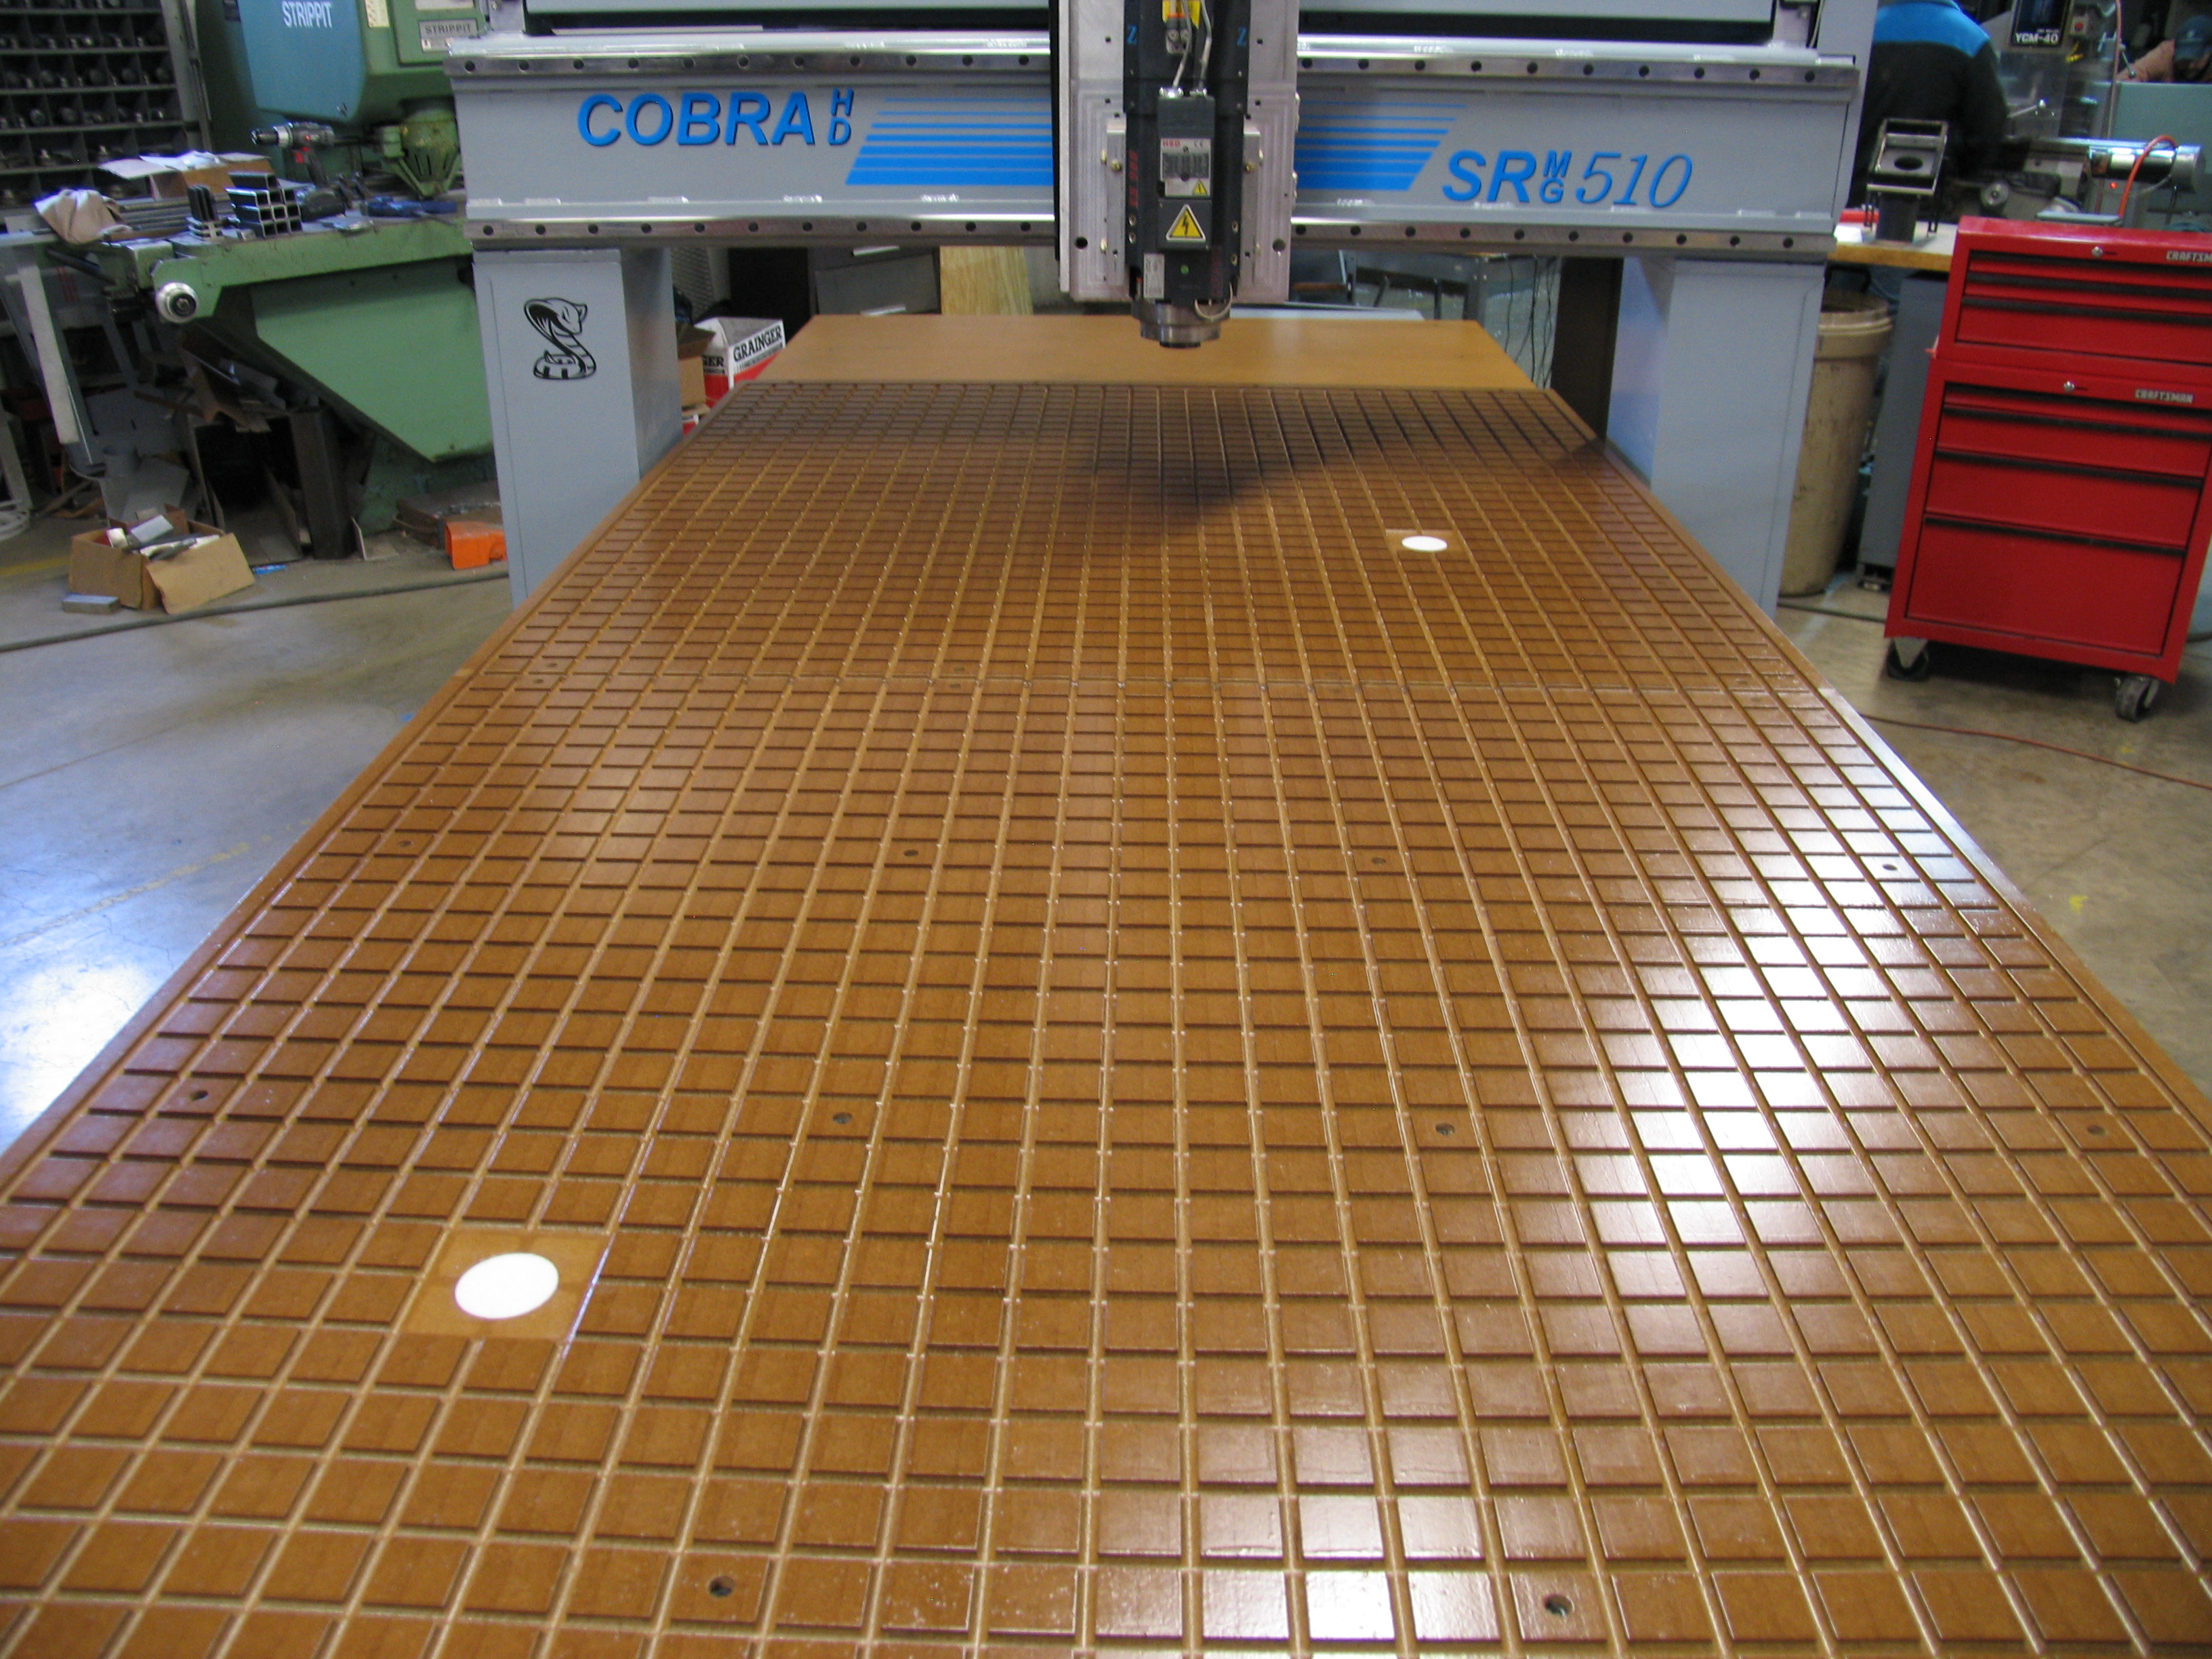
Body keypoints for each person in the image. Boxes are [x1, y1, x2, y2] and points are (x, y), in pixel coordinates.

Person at [1851, 0, 2011, 203]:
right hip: (1930, 200)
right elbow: (1989, 128)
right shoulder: (1971, 39)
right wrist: (1962, 172)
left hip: (1854, 194)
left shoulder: (1863, 33)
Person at [2122, 12, 2212, 81]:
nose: (2190, 66)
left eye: (2195, 59)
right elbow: (2130, 75)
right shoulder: (2167, 52)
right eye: (2184, 60)